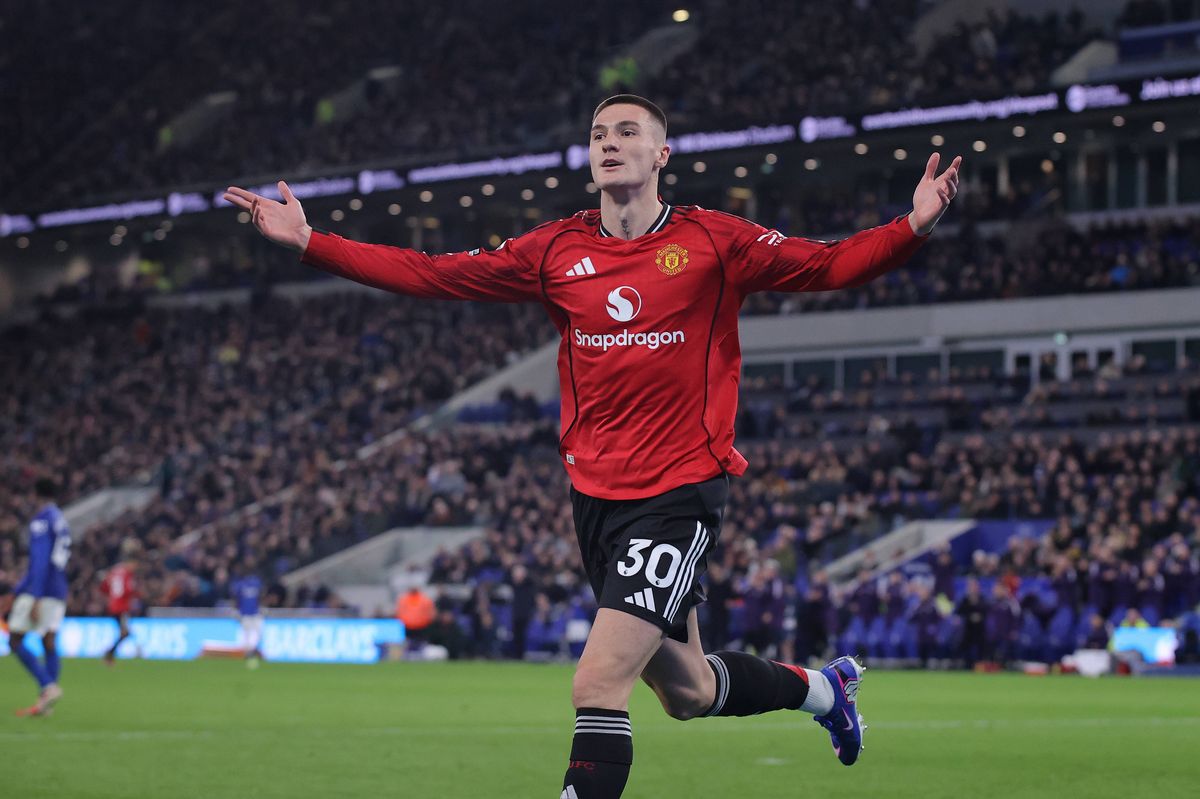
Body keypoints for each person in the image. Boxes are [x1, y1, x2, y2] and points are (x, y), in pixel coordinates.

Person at [224, 93, 961, 796]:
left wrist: (913, 226)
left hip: (678, 495)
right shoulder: (555, 251)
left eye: (627, 132)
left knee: (597, 683)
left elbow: (826, 265)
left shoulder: (713, 241)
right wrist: (312, 242)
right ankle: (826, 690)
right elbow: (435, 274)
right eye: (599, 134)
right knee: (688, 690)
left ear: (662, 152)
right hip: (597, 502)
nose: (610, 142)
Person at [7, 478, 70, 717]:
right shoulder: (60, 519)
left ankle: (47, 685)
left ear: (35, 494)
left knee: (14, 640)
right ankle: (46, 703)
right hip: (58, 588)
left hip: (41, 589)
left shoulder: (42, 521)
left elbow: (40, 562)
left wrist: (33, 595)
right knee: (49, 640)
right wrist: (16, 591)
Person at [100, 539, 142, 664]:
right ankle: (109, 654)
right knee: (125, 632)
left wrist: (109, 597)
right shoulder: (127, 574)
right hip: (121, 607)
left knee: (125, 632)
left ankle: (110, 655)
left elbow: (104, 587)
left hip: (112, 606)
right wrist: (136, 595)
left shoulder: (114, 571)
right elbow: (128, 590)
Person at [231, 568, 265, 664]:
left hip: (255, 613)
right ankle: (248, 653)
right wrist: (236, 610)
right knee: (247, 634)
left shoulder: (254, 583)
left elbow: (261, 595)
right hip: (245, 614)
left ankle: (252, 650)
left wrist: (261, 607)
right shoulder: (241, 584)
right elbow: (236, 598)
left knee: (257, 633)